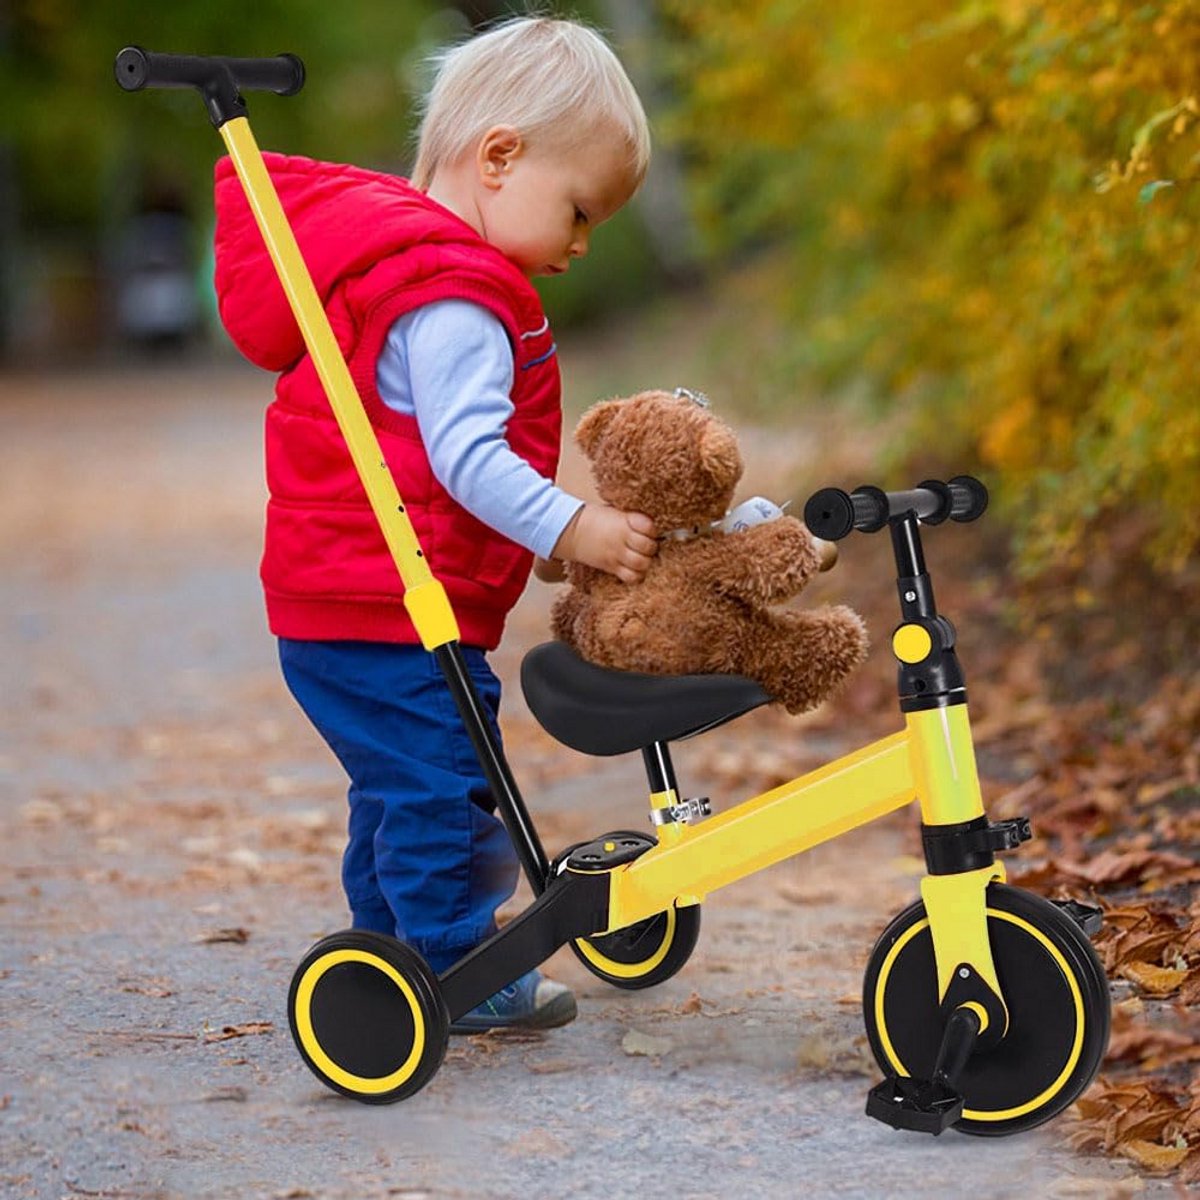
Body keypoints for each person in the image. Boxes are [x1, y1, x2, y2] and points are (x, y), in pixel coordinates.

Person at [212, 16, 656, 1031]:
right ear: (501, 158)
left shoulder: (402, 269)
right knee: (446, 789)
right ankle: (459, 968)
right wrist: (569, 529)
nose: (581, 248)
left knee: (402, 785)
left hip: (342, 602)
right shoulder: (451, 296)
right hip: (382, 607)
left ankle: (389, 958)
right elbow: (468, 464)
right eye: (579, 213)